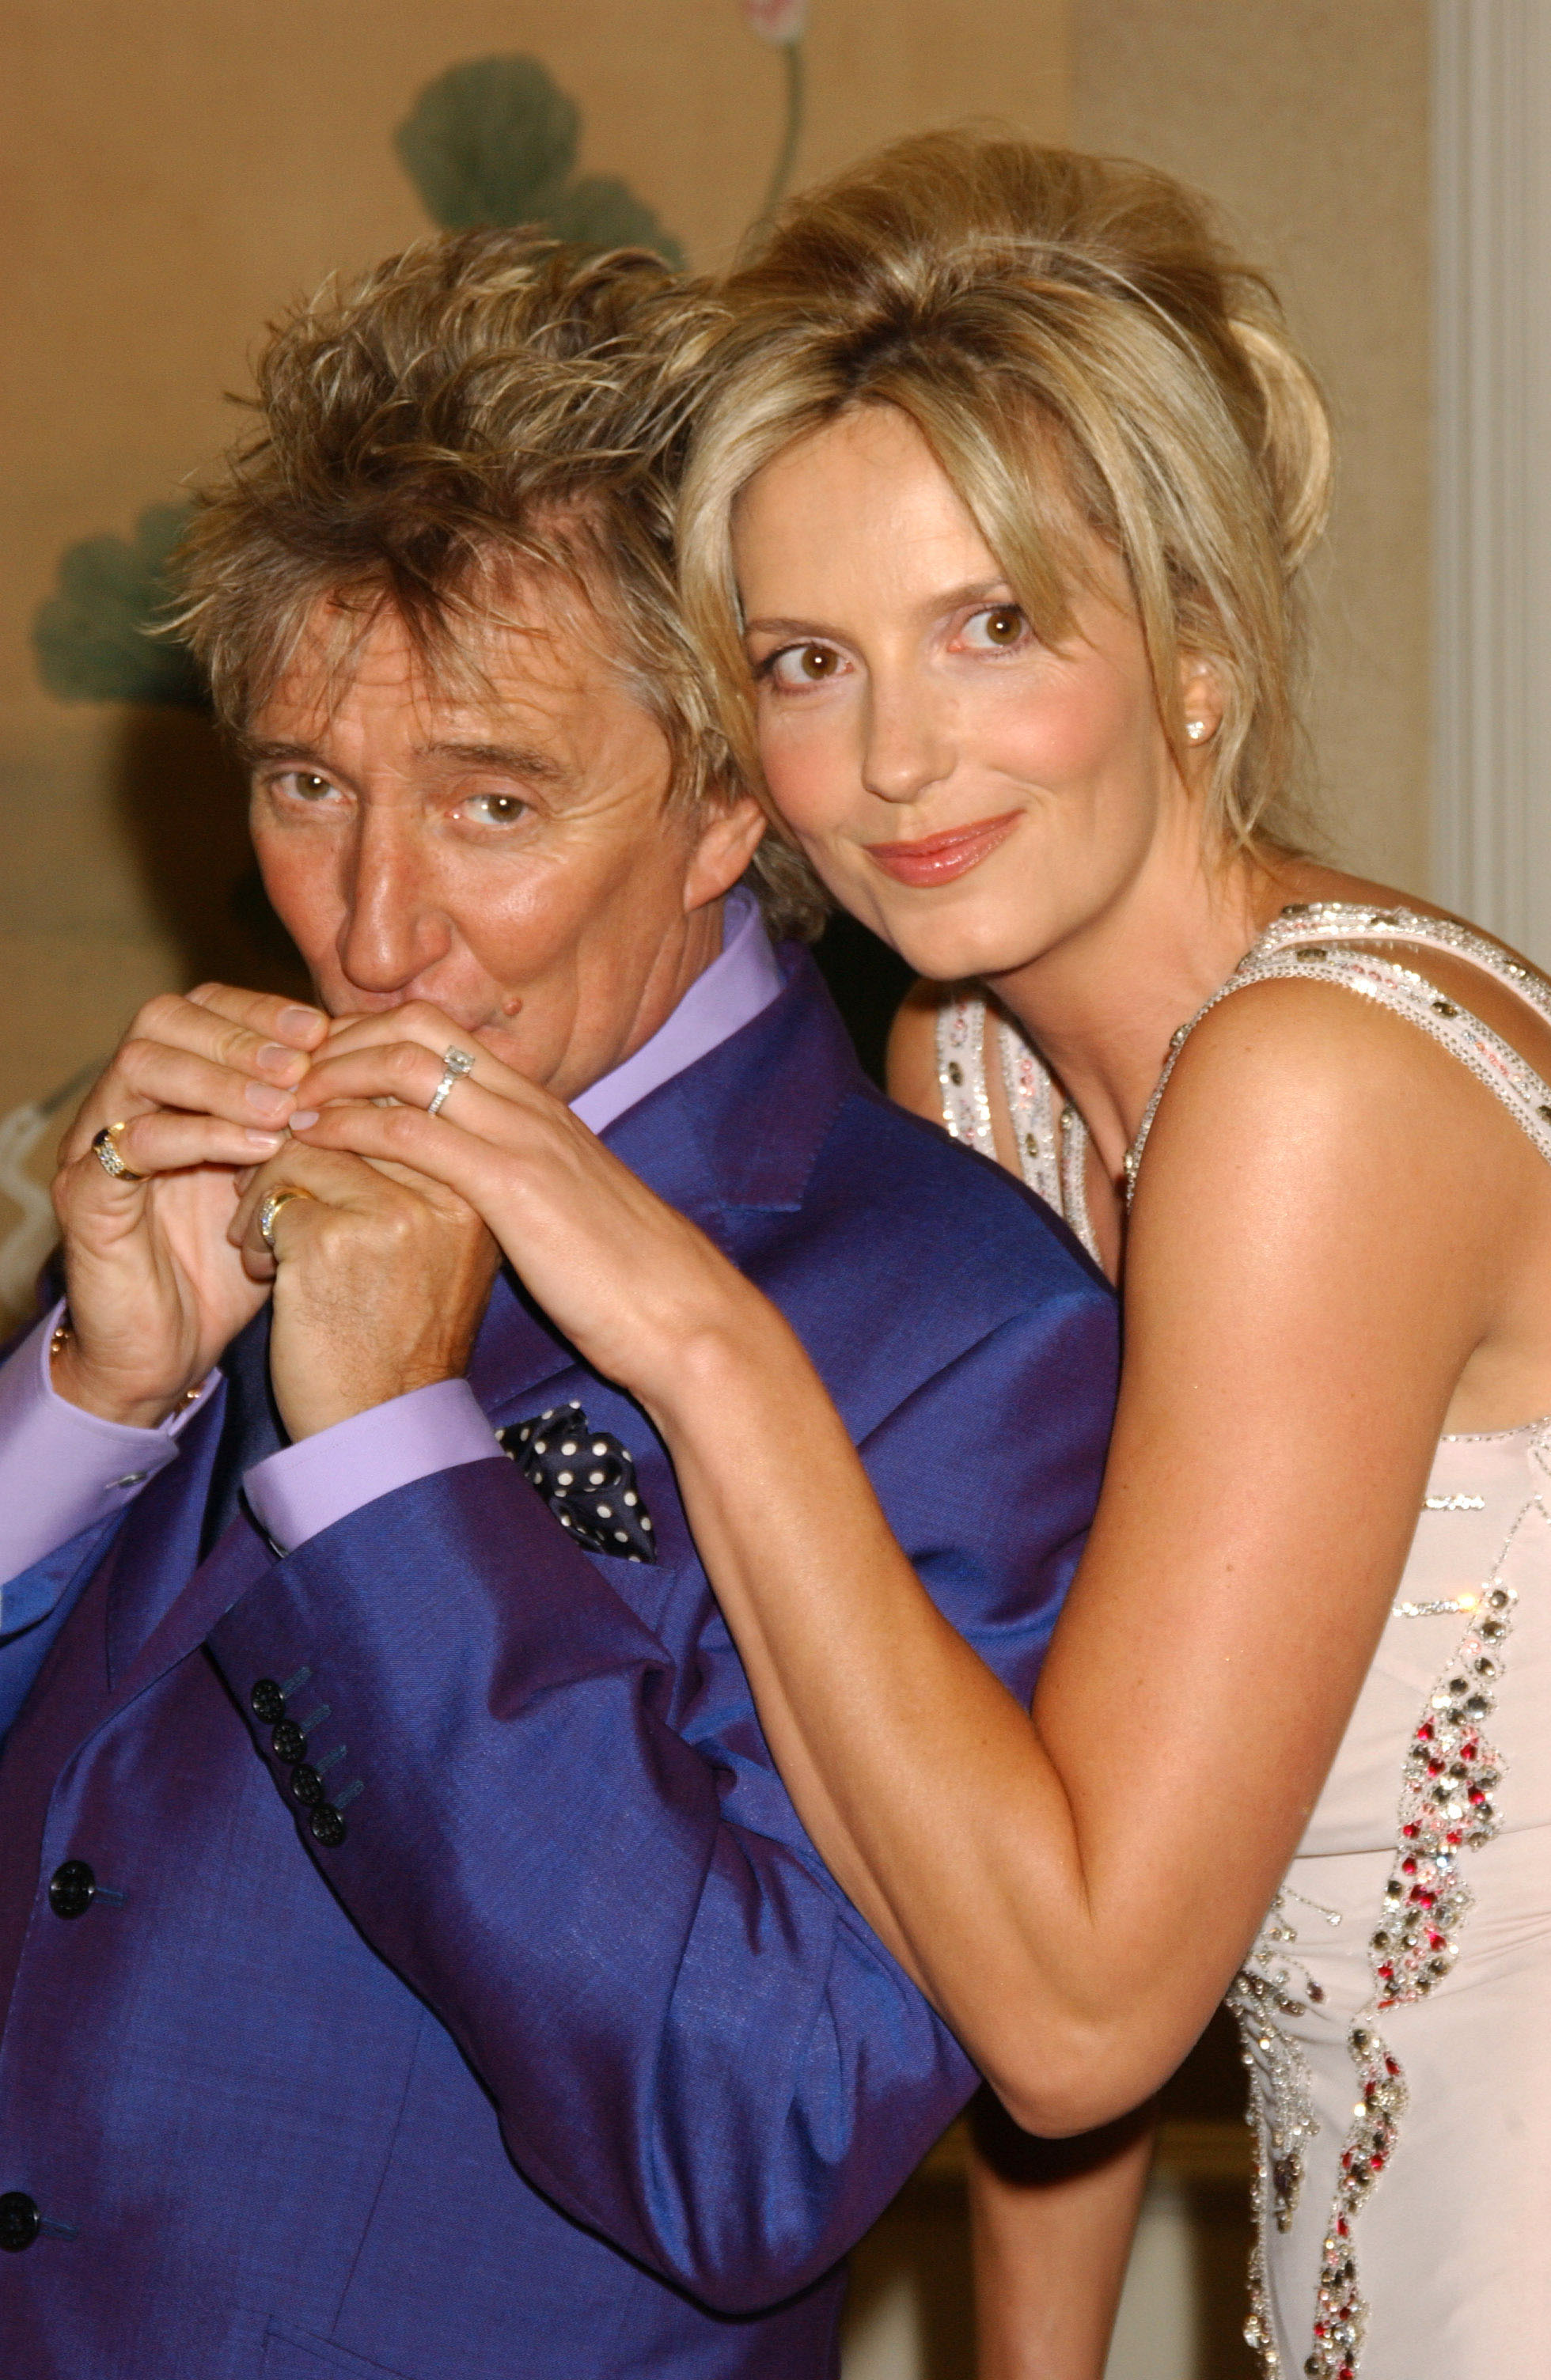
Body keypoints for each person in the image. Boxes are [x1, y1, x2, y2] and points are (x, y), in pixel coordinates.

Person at [324, 138, 1551, 2378]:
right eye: (806, 661)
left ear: (1191, 648)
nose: (894, 762)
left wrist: (703, 1336)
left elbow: (1082, 2011)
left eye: (991, 627)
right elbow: (980, 1839)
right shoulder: (970, 1068)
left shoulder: (1314, 1097)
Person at [0, 230, 1118, 2378]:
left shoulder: (969, 1335)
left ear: (724, 801)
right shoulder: (179, 1173)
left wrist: (388, 1458)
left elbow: (758, 2142)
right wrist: (95, 1398)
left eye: (493, 803)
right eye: (308, 786)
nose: (373, 928)